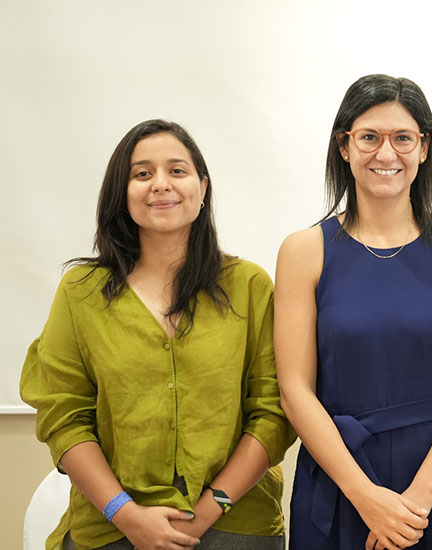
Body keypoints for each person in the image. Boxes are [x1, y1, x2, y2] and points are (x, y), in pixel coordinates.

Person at [20, 119, 296, 550]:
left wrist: (205, 512)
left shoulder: (249, 285)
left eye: (177, 171)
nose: (160, 184)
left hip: (235, 519)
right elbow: (64, 416)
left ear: (202, 189)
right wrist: (125, 514)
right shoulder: (80, 292)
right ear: (121, 194)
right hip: (112, 524)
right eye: (142, 173)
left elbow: (272, 411)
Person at [274, 74, 432, 550]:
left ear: (424, 147)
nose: (386, 154)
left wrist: (417, 498)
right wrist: (365, 497)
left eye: (403, 138)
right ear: (344, 147)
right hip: (338, 478)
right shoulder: (303, 251)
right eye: (369, 137)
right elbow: (294, 389)